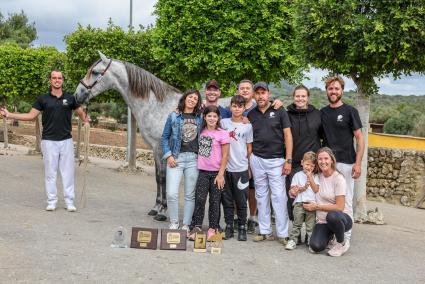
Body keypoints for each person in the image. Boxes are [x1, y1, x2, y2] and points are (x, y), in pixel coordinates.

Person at [0, 70, 89, 212]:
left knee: (68, 173)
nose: (57, 80)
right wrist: (10, 114)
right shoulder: (43, 99)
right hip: (49, 141)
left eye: (59, 78)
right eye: (54, 78)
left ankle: (69, 201)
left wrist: (85, 119)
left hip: (66, 140)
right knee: (50, 173)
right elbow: (30, 116)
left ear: (63, 80)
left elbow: (80, 112)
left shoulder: (70, 98)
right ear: (50, 80)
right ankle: (52, 201)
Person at [247, 81, 293, 244]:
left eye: (263, 93)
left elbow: (288, 136)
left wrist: (288, 160)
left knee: (279, 196)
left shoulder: (279, 110)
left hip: (277, 160)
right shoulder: (251, 114)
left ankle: (282, 233)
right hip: (257, 159)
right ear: (254, 95)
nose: (260, 96)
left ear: (268, 94)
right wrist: (248, 163)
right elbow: (248, 141)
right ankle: (265, 231)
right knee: (261, 196)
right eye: (257, 93)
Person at [321, 76, 365, 241]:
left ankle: (345, 237)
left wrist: (358, 163)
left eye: (336, 89)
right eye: (330, 89)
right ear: (327, 91)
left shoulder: (350, 111)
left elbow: (360, 138)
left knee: (345, 201)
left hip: (347, 163)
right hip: (327, 165)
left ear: (342, 91)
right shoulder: (323, 112)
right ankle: (332, 234)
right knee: (329, 199)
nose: (333, 91)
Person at [160, 89, 203, 231]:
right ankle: (174, 222)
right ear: (184, 98)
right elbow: (165, 137)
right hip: (176, 158)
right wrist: (168, 155)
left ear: (198, 102)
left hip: (193, 159)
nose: (192, 100)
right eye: (190, 97)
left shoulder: (200, 117)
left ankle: (186, 224)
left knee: (190, 194)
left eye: (195, 99)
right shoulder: (174, 116)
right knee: (171, 193)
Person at [286, 85, 323, 239]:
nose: (300, 99)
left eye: (303, 96)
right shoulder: (286, 114)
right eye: (297, 96)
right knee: (294, 198)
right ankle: (296, 234)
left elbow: (323, 136)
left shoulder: (317, 115)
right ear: (293, 97)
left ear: (308, 97)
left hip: (312, 165)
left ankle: (310, 234)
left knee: (312, 197)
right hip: (294, 163)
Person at [188, 105, 230, 241]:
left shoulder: (222, 133)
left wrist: (221, 174)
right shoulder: (200, 132)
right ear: (204, 117)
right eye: (209, 116)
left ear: (218, 118)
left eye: (214, 116)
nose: (212, 118)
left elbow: (225, 156)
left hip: (217, 173)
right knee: (200, 200)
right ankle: (197, 227)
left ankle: (213, 228)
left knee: (215, 201)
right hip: (203, 172)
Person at [303, 147, 353, 257]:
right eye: (320, 159)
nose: (323, 161)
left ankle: (341, 242)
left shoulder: (338, 178)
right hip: (323, 221)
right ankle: (331, 236)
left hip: (341, 218)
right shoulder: (316, 177)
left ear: (332, 160)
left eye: (326, 158)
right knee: (316, 246)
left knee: (332, 216)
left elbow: (340, 207)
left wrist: (316, 207)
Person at [220, 95, 253, 241]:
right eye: (234, 106)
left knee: (241, 200)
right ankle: (228, 227)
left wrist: (249, 167)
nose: (237, 109)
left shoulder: (248, 126)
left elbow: (249, 148)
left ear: (244, 108)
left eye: (240, 106)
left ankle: (242, 227)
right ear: (230, 107)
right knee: (227, 200)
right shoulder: (223, 123)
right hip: (225, 169)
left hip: (241, 169)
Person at [285, 151, 319, 250]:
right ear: (302, 163)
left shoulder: (315, 176)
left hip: (311, 204)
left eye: (312, 166)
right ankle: (293, 240)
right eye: (307, 164)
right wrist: (298, 189)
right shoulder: (297, 175)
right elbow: (293, 190)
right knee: (297, 224)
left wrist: (310, 177)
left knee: (310, 225)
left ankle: (310, 241)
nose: (309, 167)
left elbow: (316, 189)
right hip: (299, 203)